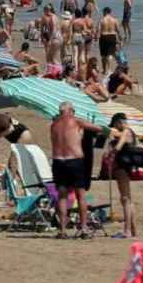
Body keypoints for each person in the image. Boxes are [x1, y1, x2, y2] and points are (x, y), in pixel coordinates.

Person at [50, 101, 105, 238]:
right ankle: (83, 228)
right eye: (73, 111)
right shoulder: (76, 121)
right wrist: (81, 129)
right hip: (74, 161)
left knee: (62, 196)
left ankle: (62, 230)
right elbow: (99, 128)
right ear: (70, 111)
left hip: (58, 161)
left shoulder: (53, 125)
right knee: (80, 195)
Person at [108, 113, 139, 238]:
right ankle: (133, 229)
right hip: (127, 167)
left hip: (122, 168)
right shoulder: (130, 132)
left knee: (125, 199)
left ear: (118, 122)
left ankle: (127, 230)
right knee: (128, 199)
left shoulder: (126, 132)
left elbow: (118, 147)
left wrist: (111, 148)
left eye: (115, 125)